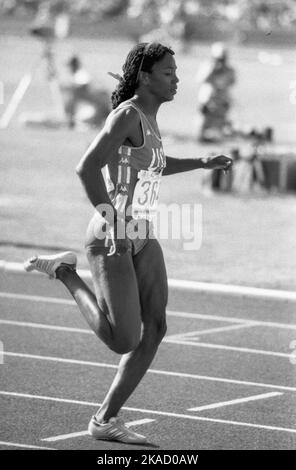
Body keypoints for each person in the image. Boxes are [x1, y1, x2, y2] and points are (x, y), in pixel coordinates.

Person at [24, 42, 232, 444]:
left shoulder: (151, 119)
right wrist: (114, 222)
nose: (177, 80)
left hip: (141, 233)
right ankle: (65, 272)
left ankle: (105, 419)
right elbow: (87, 168)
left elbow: (155, 164)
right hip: (111, 235)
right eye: (169, 73)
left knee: (156, 325)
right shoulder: (127, 114)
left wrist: (201, 163)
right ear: (145, 76)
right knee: (125, 339)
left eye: (176, 72)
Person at [197, 42, 236, 142]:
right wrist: (212, 70)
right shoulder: (207, 67)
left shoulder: (229, 70)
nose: (220, 62)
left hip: (221, 100)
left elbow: (232, 82)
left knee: (219, 127)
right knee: (203, 125)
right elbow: (201, 80)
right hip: (207, 99)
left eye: (222, 59)